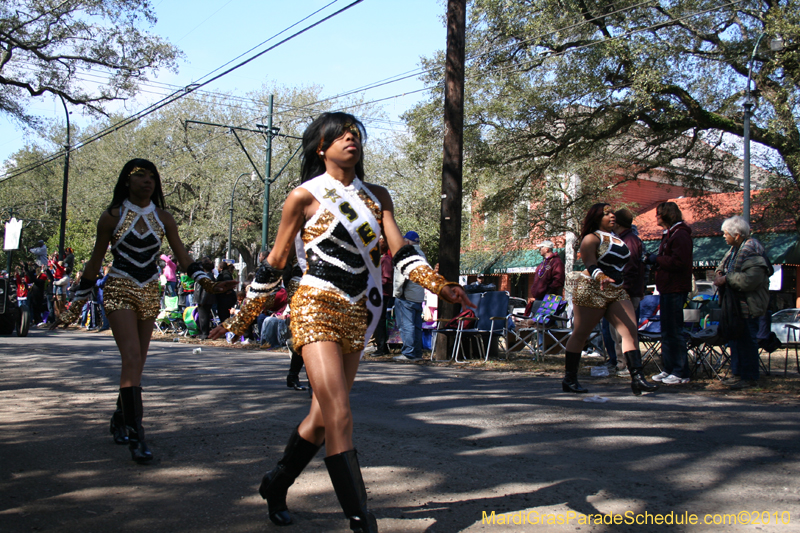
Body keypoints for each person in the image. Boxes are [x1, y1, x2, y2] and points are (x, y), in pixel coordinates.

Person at [209, 112, 472, 532]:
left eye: (356, 134)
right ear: (321, 148)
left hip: (359, 310)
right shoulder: (303, 196)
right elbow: (275, 262)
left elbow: (401, 253)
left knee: (322, 417)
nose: (351, 139)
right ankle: (361, 518)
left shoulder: (377, 196)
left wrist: (441, 286)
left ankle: (276, 483)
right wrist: (240, 318)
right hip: (315, 304)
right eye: (341, 135)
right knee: (340, 412)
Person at [49, 158, 234, 463]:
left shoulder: (163, 217)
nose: (148, 181)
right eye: (140, 175)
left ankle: (119, 418)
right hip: (119, 287)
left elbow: (183, 257)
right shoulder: (111, 216)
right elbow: (95, 261)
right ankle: (137, 436)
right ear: (127, 180)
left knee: (138, 363)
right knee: (132, 357)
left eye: (152, 177)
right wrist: (75, 304)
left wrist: (209, 284)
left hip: (149, 290)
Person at [563, 203, 659, 396]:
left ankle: (637, 378)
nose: (612, 215)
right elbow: (590, 263)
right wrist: (600, 276)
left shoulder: (618, 238)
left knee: (630, 330)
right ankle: (570, 379)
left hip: (616, 289)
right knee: (581, 334)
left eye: (612, 212)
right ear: (597, 217)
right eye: (606, 213)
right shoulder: (591, 238)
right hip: (592, 289)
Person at [713, 216, 770, 389]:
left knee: (747, 341)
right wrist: (719, 274)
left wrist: (726, 278)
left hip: (748, 306)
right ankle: (737, 373)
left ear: (737, 235)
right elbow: (721, 267)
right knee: (735, 340)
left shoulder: (751, 250)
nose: (724, 236)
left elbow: (750, 280)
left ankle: (750, 377)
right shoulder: (733, 250)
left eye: (726, 233)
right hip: (735, 307)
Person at [644, 201, 693, 385]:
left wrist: (657, 259)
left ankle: (681, 371)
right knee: (666, 331)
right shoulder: (670, 234)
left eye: (658, 214)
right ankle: (669, 368)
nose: (656, 217)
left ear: (667, 215)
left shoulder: (680, 235)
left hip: (675, 287)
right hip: (667, 287)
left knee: (674, 331)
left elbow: (679, 262)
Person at [607, 208, 646, 375]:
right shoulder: (621, 240)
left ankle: (628, 365)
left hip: (625, 292)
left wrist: (622, 288)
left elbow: (629, 268)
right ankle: (621, 363)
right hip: (620, 291)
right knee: (616, 331)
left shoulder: (629, 241)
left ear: (618, 223)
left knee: (623, 331)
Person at [392, 231, 428, 361]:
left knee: (406, 325)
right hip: (418, 295)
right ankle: (417, 352)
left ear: (407, 241)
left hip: (406, 296)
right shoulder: (422, 255)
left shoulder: (407, 254)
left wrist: (397, 293)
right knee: (417, 326)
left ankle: (408, 353)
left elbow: (401, 277)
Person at [371, 236, 392, 356]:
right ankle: (381, 346)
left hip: (383, 293)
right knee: (378, 319)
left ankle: (382, 347)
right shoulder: (382, 259)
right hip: (380, 293)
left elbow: (387, 278)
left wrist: (374, 282)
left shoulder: (386, 260)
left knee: (379, 320)